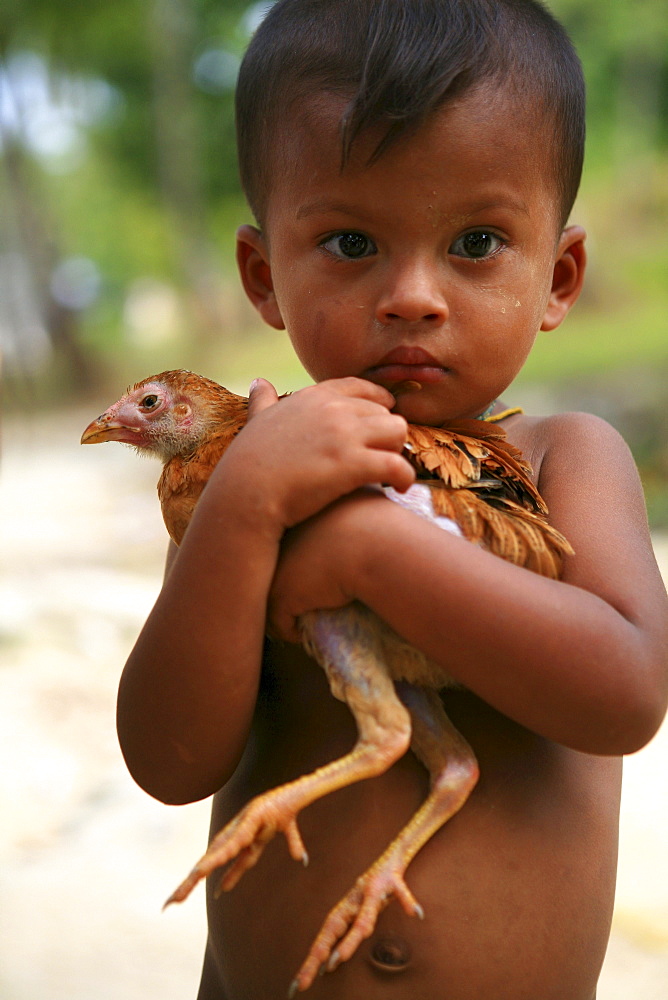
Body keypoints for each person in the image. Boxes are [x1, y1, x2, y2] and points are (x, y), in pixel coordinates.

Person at [116, 1, 668, 997]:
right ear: (262, 275)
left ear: (559, 274)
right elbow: (168, 757)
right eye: (348, 243)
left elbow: (624, 691)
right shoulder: (253, 470)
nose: (412, 294)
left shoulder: (561, 458)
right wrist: (242, 509)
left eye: (473, 242)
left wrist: (371, 550)